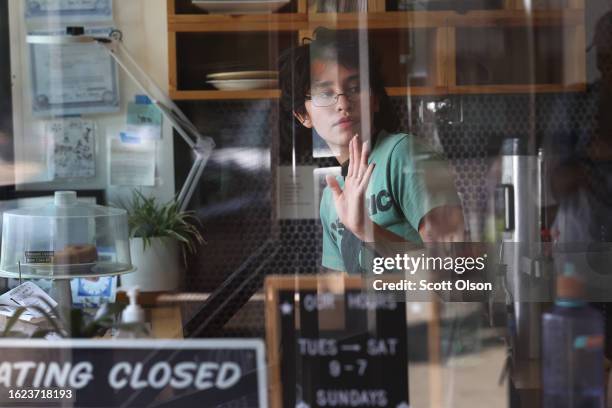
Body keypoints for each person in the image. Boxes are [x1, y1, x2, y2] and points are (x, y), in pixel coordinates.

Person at [279, 28, 465, 274]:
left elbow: (454, 266)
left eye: (355, 88)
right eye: (325, 93)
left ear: (375, 100)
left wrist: (366, 229)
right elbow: (343, 289)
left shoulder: (403, 154)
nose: (343, 104)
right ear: (303, 116)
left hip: (425, 312)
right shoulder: (330, 198)